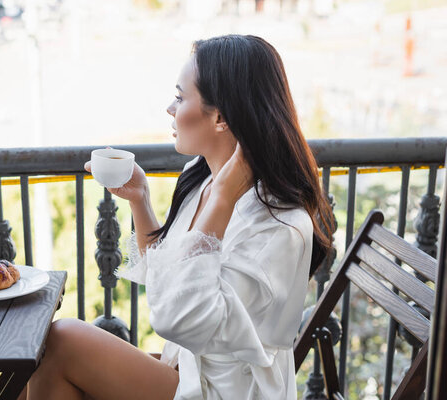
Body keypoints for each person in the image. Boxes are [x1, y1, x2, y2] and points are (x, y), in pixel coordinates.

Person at [18, 34, 334, 400]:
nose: (170, 108)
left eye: (181, 97)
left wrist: (221, 202)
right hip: (186, 373)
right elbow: (167, 282)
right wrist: (140, 201)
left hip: (229, 391)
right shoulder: (200, 178)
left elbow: (178, 318)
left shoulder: (278, 224)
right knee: (37, 366)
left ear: (220, 117)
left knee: (63, 341)